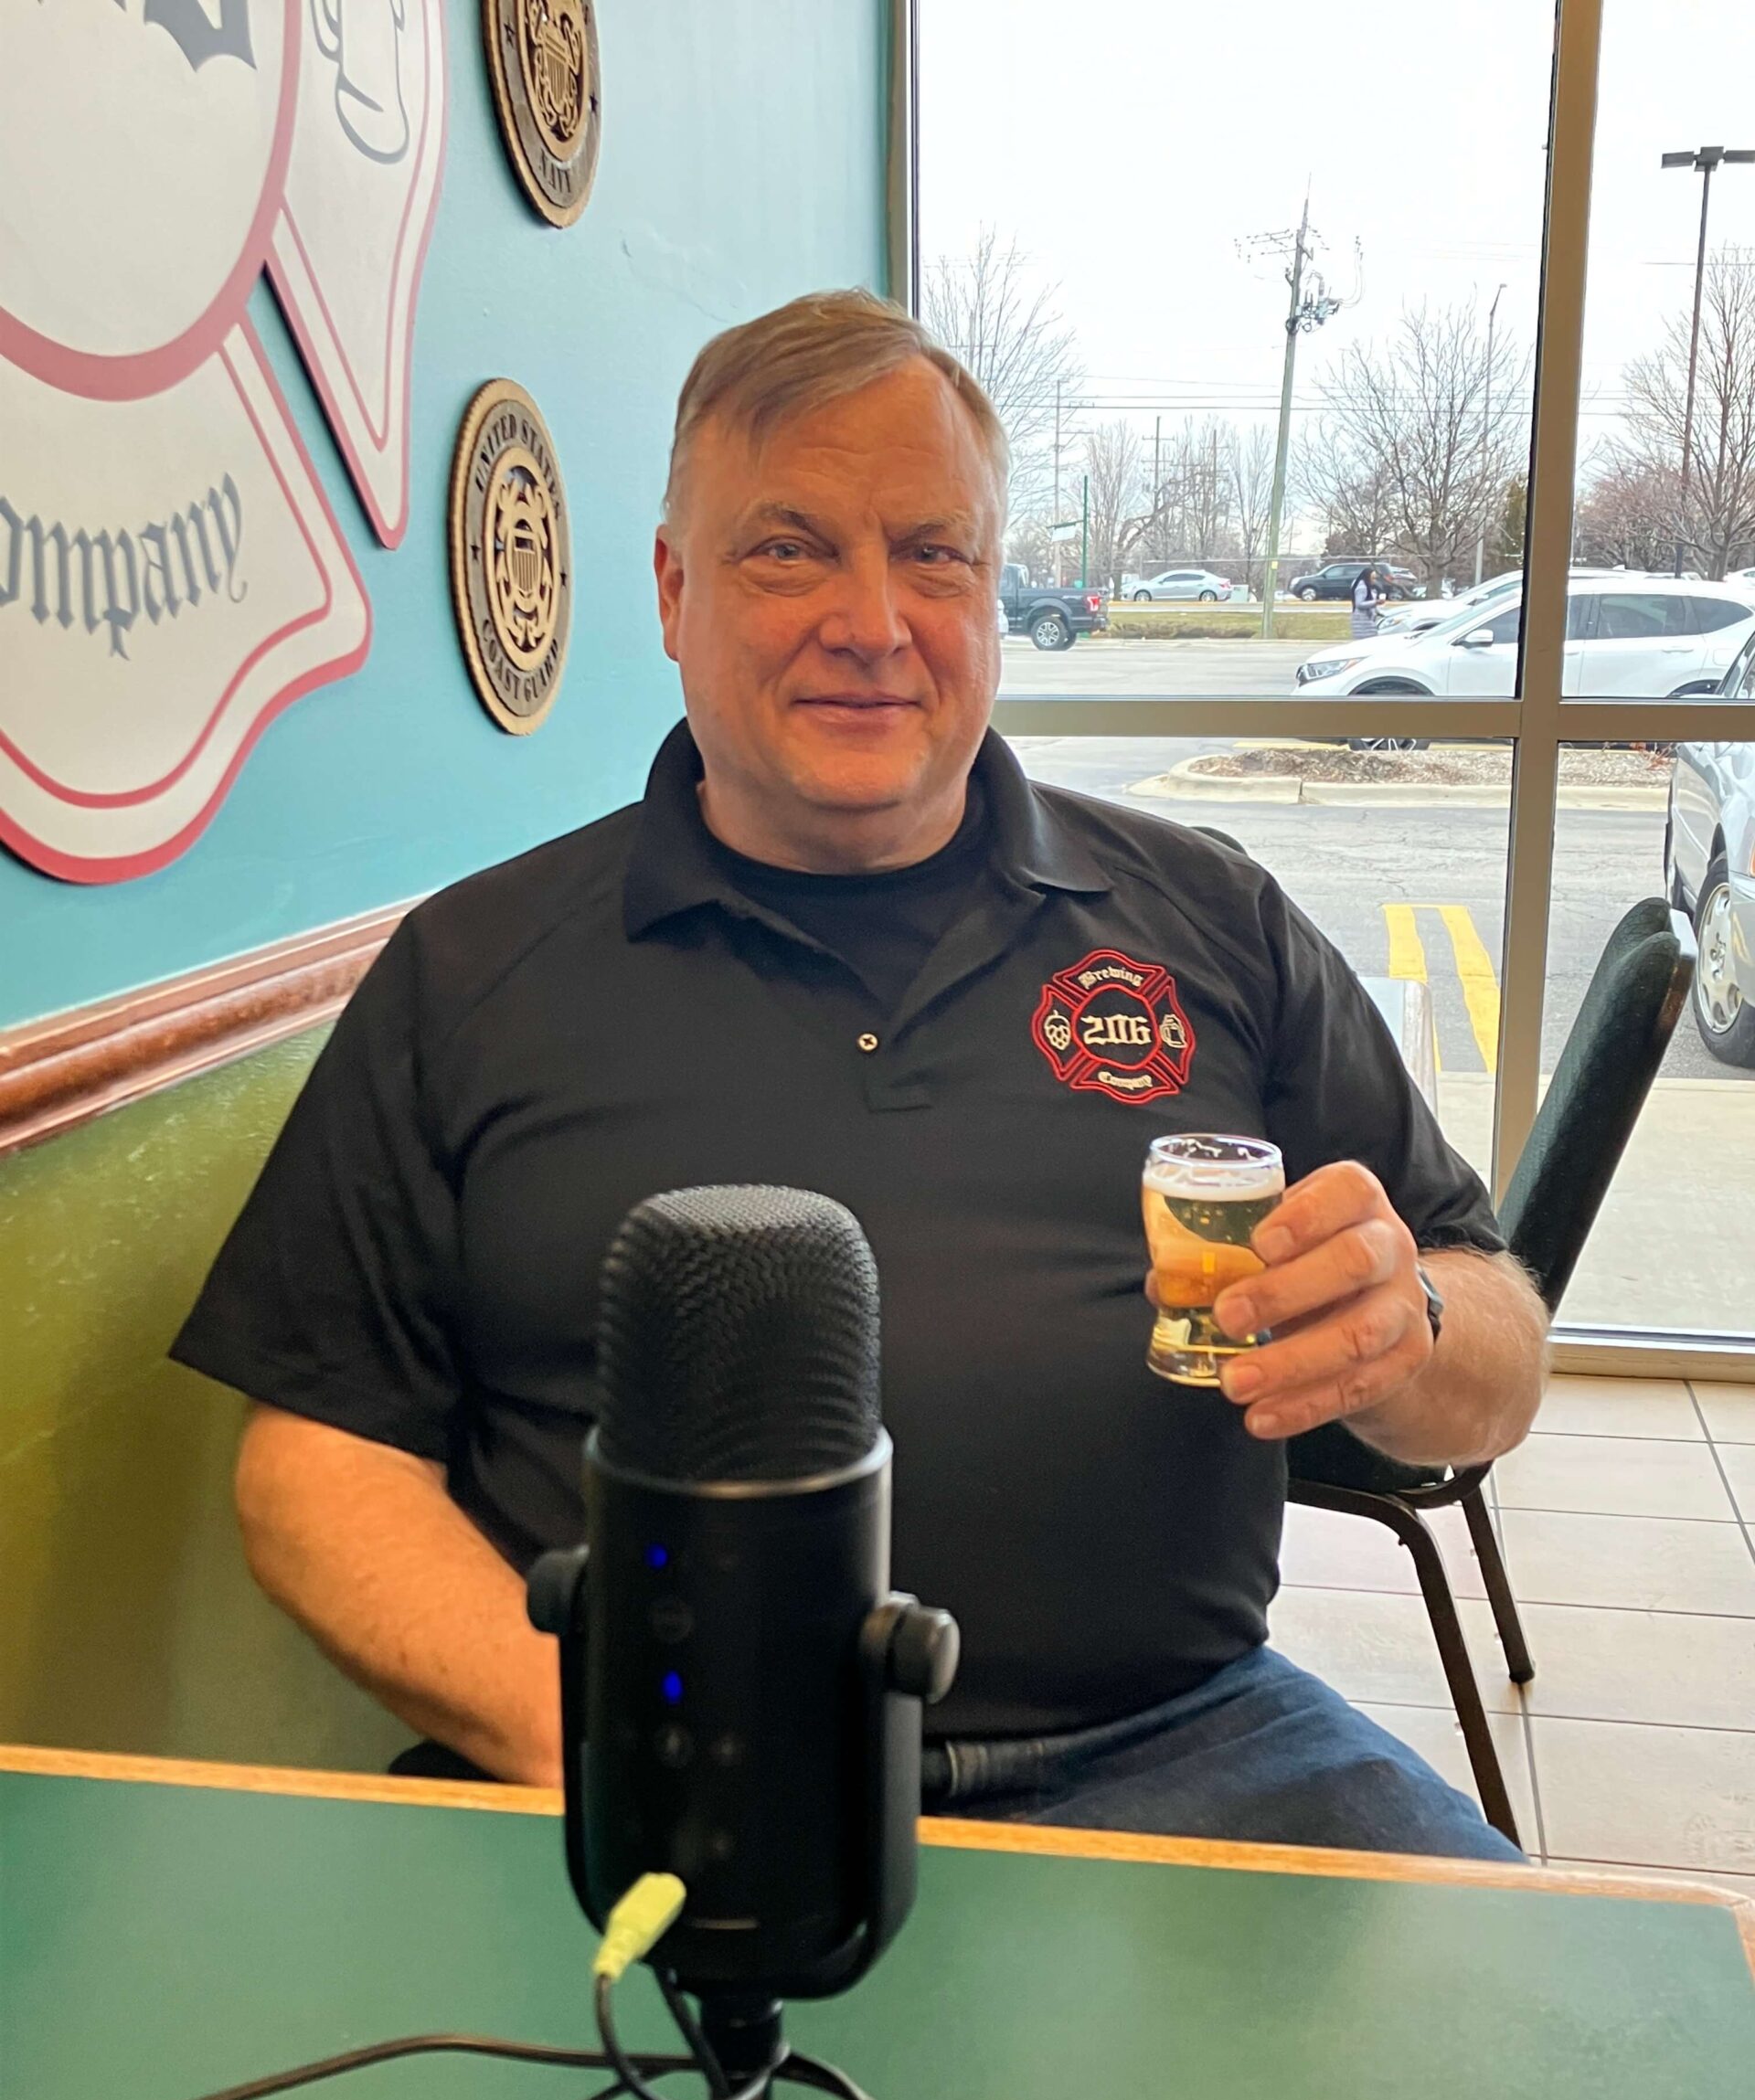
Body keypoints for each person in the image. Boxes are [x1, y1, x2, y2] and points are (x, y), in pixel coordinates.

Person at [173, 291, 1548, 1860]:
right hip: (646, 1759)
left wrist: (1408, 1325)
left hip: (1191, 1747)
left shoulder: (1212, 918)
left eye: (933, 553)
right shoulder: (471, 970)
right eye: (789, 549)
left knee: (1571, 2017)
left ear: (991, 588)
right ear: (675, 591)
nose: (875, 622)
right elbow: (317, 1466)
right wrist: (592, 1737)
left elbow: (1500, 1350)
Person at [1350, 565, 1383, 638]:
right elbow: (1359, 604)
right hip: (1362, 620)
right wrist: (1376, 602)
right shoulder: (1362, 587)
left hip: (1365, 619)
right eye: (1373, 578)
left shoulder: (1366, 586)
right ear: (1367, 577)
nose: (1374, 581)